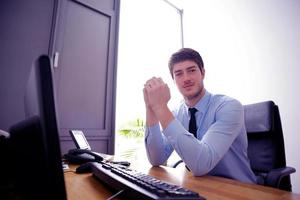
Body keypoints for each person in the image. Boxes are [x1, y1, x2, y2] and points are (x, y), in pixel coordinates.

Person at [143, 48, 256, 184]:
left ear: (202, 72)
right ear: (173, 80)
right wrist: (150, 108)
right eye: (179, 74)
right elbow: (156, 159)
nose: (186, 78)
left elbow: (202, 164)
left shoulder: (229, 107)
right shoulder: (177, 114)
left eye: (191, 70)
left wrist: (161, 107)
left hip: (238, 190)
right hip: (199, 187)